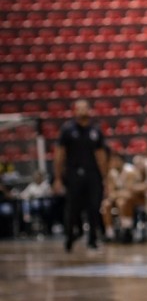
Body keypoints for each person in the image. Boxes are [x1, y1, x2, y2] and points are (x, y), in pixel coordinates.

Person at [53, 98, 107, 252]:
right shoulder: (68, 130)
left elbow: (101, 156)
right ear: (75, 111)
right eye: (79, 108)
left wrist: (105, 178)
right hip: (73, 174)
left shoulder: (95, 131)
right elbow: (59, 155)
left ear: (89, 110)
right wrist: (57, 178)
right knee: (72, 208)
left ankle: (92, 240)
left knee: (94, 207)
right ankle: (69, 237)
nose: (83, 111)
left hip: (93, 175)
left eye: (85, 108)